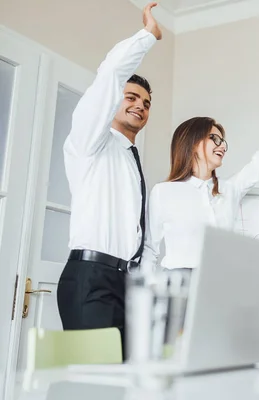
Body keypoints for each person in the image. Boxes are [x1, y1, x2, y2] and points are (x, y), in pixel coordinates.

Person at [57, 2, 162, 355]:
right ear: (113, 102)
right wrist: (147, 36)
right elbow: (110, 76)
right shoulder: (90, 142)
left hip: (126, 283)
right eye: (131, 97)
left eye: (146, 103)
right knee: (92, 384)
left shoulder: (131, 160)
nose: (140, 106)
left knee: (120, 384)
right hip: (91, 278)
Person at [140, 58, 259, 273]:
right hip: (178, 285)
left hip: (220, 283)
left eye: (223, 141)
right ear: (192, 143)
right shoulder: (164, 192)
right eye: (214, 139)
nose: (222, 146)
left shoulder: (229, 190)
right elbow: (150, 251)